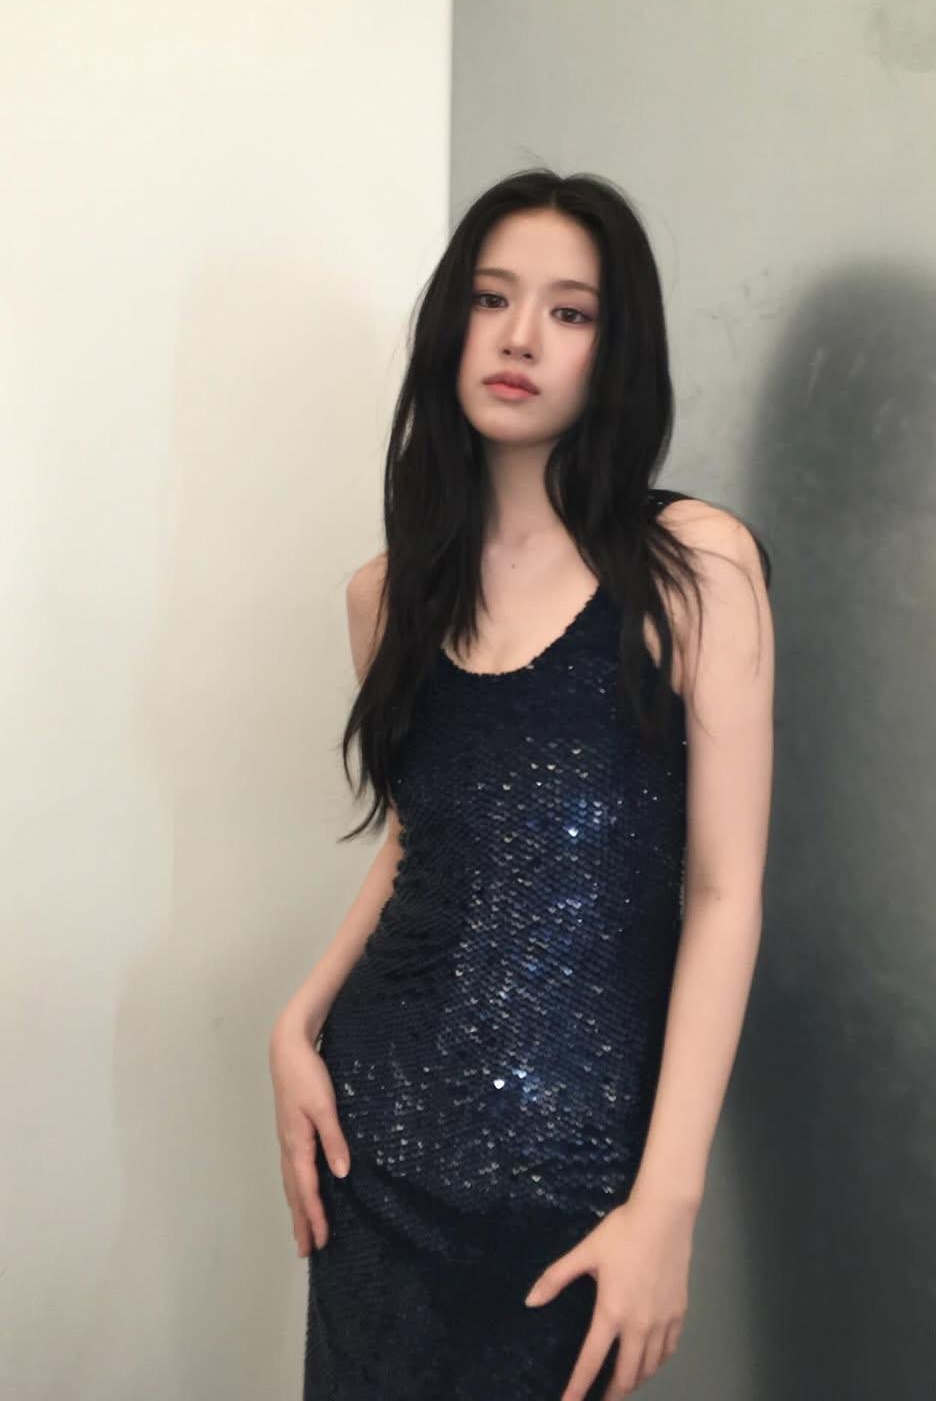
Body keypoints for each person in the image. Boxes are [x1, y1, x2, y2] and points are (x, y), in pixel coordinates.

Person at [269, 167, 775, 1400]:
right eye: (492, 298)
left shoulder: (693, 568)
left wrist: (667, 1205)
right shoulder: (385, 595)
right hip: (375, 1149)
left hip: (576, 1183)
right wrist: (297, 1021)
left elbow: (723, 894)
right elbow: (425, 839)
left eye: (570, 310)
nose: (519, 337)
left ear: (616, 347)